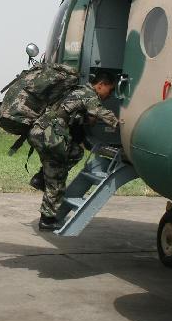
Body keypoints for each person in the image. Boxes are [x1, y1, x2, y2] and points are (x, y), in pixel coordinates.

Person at [31, 70, 119, 232]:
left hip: (41, 132)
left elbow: (74, 115)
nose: (110, 94)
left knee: (74, 154)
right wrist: (119, 124)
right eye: (110, 89)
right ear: (101, 85)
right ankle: (47, 220)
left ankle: (40, 178)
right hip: (50, 136)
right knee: (57, 177)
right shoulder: (88, 94)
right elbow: (100, 112)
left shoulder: (77, 91)